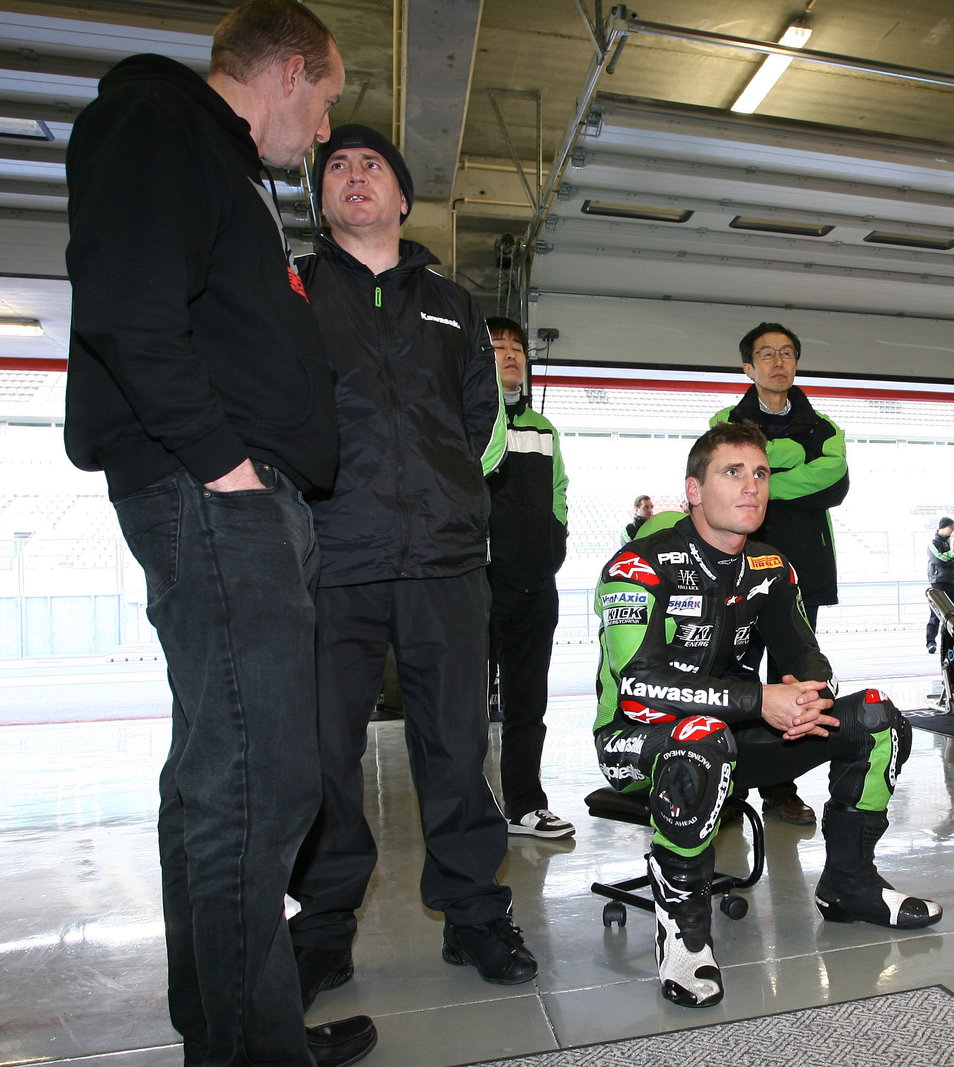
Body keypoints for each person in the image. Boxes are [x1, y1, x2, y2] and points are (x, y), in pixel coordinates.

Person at [62, 1, 376, 1063]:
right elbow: (129, 308)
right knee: (259, 780)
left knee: (220, 774)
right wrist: (226, 468)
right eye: (325, 101)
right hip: (215, 495)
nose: (324, 130)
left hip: (236, 496)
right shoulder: (158, 122)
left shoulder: (221, 168)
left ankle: (241, 1032)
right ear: (290, 72)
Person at [288, 124, 536, 1005]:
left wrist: (446, 495)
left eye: (373, 166)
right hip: (332, 558)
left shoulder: (453, 304)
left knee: (457, 745)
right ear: (322, 196)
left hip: (443, 559)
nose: (354, 176)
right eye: (338, 166)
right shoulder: (292, 289)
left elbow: (484, 425)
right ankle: (322, 929)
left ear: (401, 198)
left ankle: (473, 914)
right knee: (324, 753)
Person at [594, 422, 941, 1008]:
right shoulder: (638, 566)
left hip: (737, 734)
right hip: (637, 740)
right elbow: (637, 687)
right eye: (732, 472)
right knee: (699, 738)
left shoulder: (771, 565)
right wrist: (760, 702)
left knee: (876, 718)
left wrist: (810, 695)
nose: (751, 486)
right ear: (694, 490)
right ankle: (683, 935)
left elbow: (803, 650)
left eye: (760, 473)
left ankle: (849, 884)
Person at [710, 322, 849, 826]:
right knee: (731, 674)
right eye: (766, 354)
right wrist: (798, 463)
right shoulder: (726, 420)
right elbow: (727, 479)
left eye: (787, 353)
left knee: (794, 675)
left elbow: (834, 483)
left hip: (802, 566)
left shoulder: (824, 425)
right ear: (748, 367)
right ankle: (725, 785)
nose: (778, 362)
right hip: (738, 563)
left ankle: (780, 787)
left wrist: (766, 472)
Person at [485, 316, 574, 840]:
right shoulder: (466, 419)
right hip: (479, 583)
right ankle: (471, 810)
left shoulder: (544, 429)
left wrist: (554, 543)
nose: (511, 353)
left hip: (537, 585)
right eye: (498, 346)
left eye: (517, 347)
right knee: (463, 709)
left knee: (528, 706)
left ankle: (524, 806)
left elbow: (559, 490)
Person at [925, 517, 954, 653]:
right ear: (942, 527)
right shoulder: (933, 543)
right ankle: (931, 642)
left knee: (952, 615)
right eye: (950, 527)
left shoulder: (952, 542)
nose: (952, 530)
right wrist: (950, 556)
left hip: (953, 581)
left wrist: (949, 555)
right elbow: (940, 559)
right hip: (938, 582)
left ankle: (949, 643)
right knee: (935, 614)